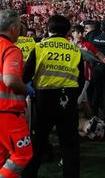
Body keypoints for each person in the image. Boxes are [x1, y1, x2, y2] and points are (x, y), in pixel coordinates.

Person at [22, 15, 84, 178]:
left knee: (37, 143)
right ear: (68, 31)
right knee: (69, 145)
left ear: (48, 29)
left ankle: (29, 174)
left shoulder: (40, 47)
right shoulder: (75, 50)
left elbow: (25, 76)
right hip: (68, 99)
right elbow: (81, 80)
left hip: (43, 99)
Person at [0, 10, 33, 178]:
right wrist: (27, 89)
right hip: (7, 112)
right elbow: (11, 80)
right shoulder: (10, 49)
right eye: (19, 26)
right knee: (22, 154)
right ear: (13, 28)